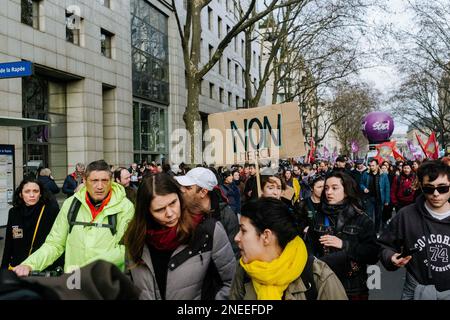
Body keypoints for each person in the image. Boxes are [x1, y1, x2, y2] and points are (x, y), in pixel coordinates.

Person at [123, 173, 236, 300]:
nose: (170, 213)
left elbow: (231, 283)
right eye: (160, 210)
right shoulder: (136, 236)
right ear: (146, 211)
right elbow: (128, 284)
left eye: (173, 203)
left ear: (180, 197)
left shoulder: (207, 230)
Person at [12, 160, 135, 276]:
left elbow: (127, 249)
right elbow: (54, 244)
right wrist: (29, 264)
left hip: (107, 281)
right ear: (85, 180)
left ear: (111, 180)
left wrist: (93, 268)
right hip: (75, 280)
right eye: (94, 180)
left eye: (105, 180)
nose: (100, 186)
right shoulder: (70, 204)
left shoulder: (125, 207)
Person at [229, 197, 348, 300]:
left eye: (243, 231)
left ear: (266, 236)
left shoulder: (318, 277)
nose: (236, 238)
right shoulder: (245, 271)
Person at [378, 160, 450, 300]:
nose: (435, 194)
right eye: (429, 188)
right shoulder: (406, 215)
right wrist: (390, 257)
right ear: (422, 188)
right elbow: (384, 245)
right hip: (417, 290)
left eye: (442, 188)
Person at [306, 172, 379, 300]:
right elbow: (309, 250)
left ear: (346, 191)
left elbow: (373, 254)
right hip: (323, 284)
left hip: (353, 288)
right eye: (326, 188)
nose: (329, 192)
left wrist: (344, 245)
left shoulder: (361, 219)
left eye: (334, 188)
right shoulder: (318, 217)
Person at [174, 167, 240, 257]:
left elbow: (233, 251)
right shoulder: (182, 210)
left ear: (203, 192)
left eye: (188, 188)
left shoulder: (225, 214)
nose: (182, 190)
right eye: (182, 186)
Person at [1, 179, 61, 271]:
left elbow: (56, 241)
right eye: (27, 191)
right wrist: (4, 268)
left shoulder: (50, 211)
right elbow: (9, 242)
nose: (32, 195)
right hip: (17, 266)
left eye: (35, 191)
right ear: (21, 194)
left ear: (40, 194)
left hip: (40, 266)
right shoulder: (14, 212)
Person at [360, 158, 390, 234]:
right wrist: (364, 188)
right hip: (369, 198)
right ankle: (370, 231)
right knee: (369, 216)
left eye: (373, 165)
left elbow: (387, 188)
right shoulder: (365, 174)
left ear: (377, 165)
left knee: (378, 216)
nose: (371, 167)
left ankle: (377, 231)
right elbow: (361, 184)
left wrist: (387, 200)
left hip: (379, 198)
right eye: (370, 165)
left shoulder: (383, 175)